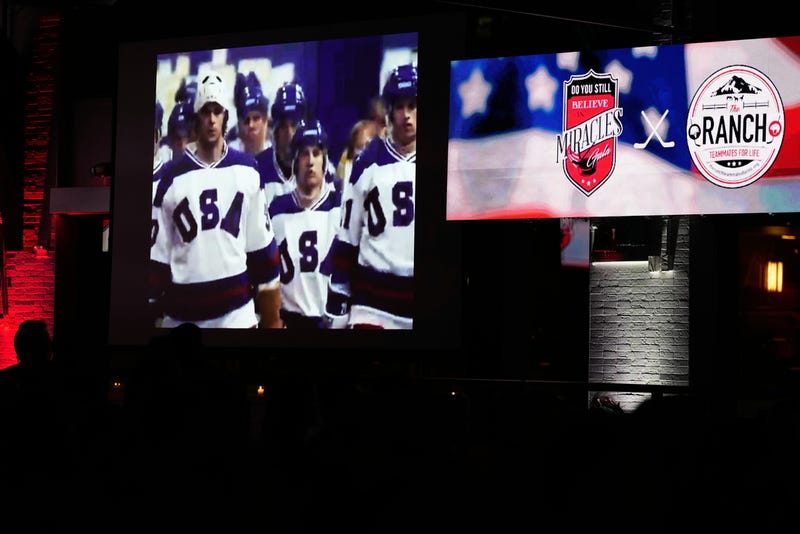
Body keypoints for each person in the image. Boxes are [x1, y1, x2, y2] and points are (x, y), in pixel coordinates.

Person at [149, 69, 283, 329]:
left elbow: (264, 257)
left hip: (237, 319)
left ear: (225, 116)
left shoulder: (247, 171)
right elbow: (157, 266)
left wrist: (272, 322)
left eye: (217, 111)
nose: (211, 119)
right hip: (183, 324)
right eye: (205, 111)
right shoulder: (170, 178)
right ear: (196, 118)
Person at [324, 64, 417, 330]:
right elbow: (347, 237)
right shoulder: (366, 163)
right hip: (372, 306)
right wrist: (338, 296)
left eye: (413, 106)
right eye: (400, 107)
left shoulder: (441, 162)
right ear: (388, 111)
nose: (406, 115)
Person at [268, 119, 342, 329]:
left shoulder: (340, 207)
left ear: (325, 160)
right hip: (289, 321)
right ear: (295, 160)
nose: (310, 161)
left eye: (316, 154)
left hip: (330, 322)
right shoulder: (276, 210)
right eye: (304, 154)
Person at [256, 81, 308, 210]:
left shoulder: (321, 169)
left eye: (294, 125)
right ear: (276, 131)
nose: (290, 134)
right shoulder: (257, 168)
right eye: (284, 126)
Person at [229, 71, 270, 156]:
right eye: (246, 120)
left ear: (265, 120)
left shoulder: (274, 153)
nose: (251, 125)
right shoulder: (231, 151)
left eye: (256, 118)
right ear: (240, 123)